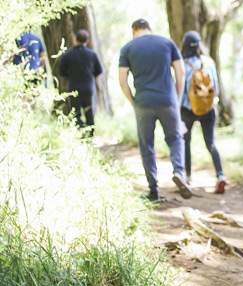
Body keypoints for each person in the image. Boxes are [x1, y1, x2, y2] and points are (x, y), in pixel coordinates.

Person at [119, 19, 192, 201]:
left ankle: (153, 190)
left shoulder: (128, 48)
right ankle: (179, 172)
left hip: (143, 103)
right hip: (168, 101)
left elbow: (122, 80)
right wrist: (176, 98)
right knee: (175, 139)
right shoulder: (167, 43)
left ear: (134, 31)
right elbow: (180, 72)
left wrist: (133, 101)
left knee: (147, 146)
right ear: (149, 29)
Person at [180, 30, 226, 194]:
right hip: (208, 109)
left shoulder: (182, 64)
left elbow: (179, 90)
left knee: (186, 141)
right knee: (210, 143)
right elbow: (216, 89)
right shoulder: (209, 62)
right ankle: (220, 175)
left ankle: (187, 176)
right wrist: (213, 103)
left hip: (187, 109)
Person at [59, 29, 103, 138]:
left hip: (74, 88)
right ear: (87, 41)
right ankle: (90, 135)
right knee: (89, 113)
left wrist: (71, 75)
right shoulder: (92, 54)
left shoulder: (67, 55)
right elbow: (99, 70)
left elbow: (61, 72)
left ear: (75, 39)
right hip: (89, 88)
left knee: (75, 113)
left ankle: (82, 129)